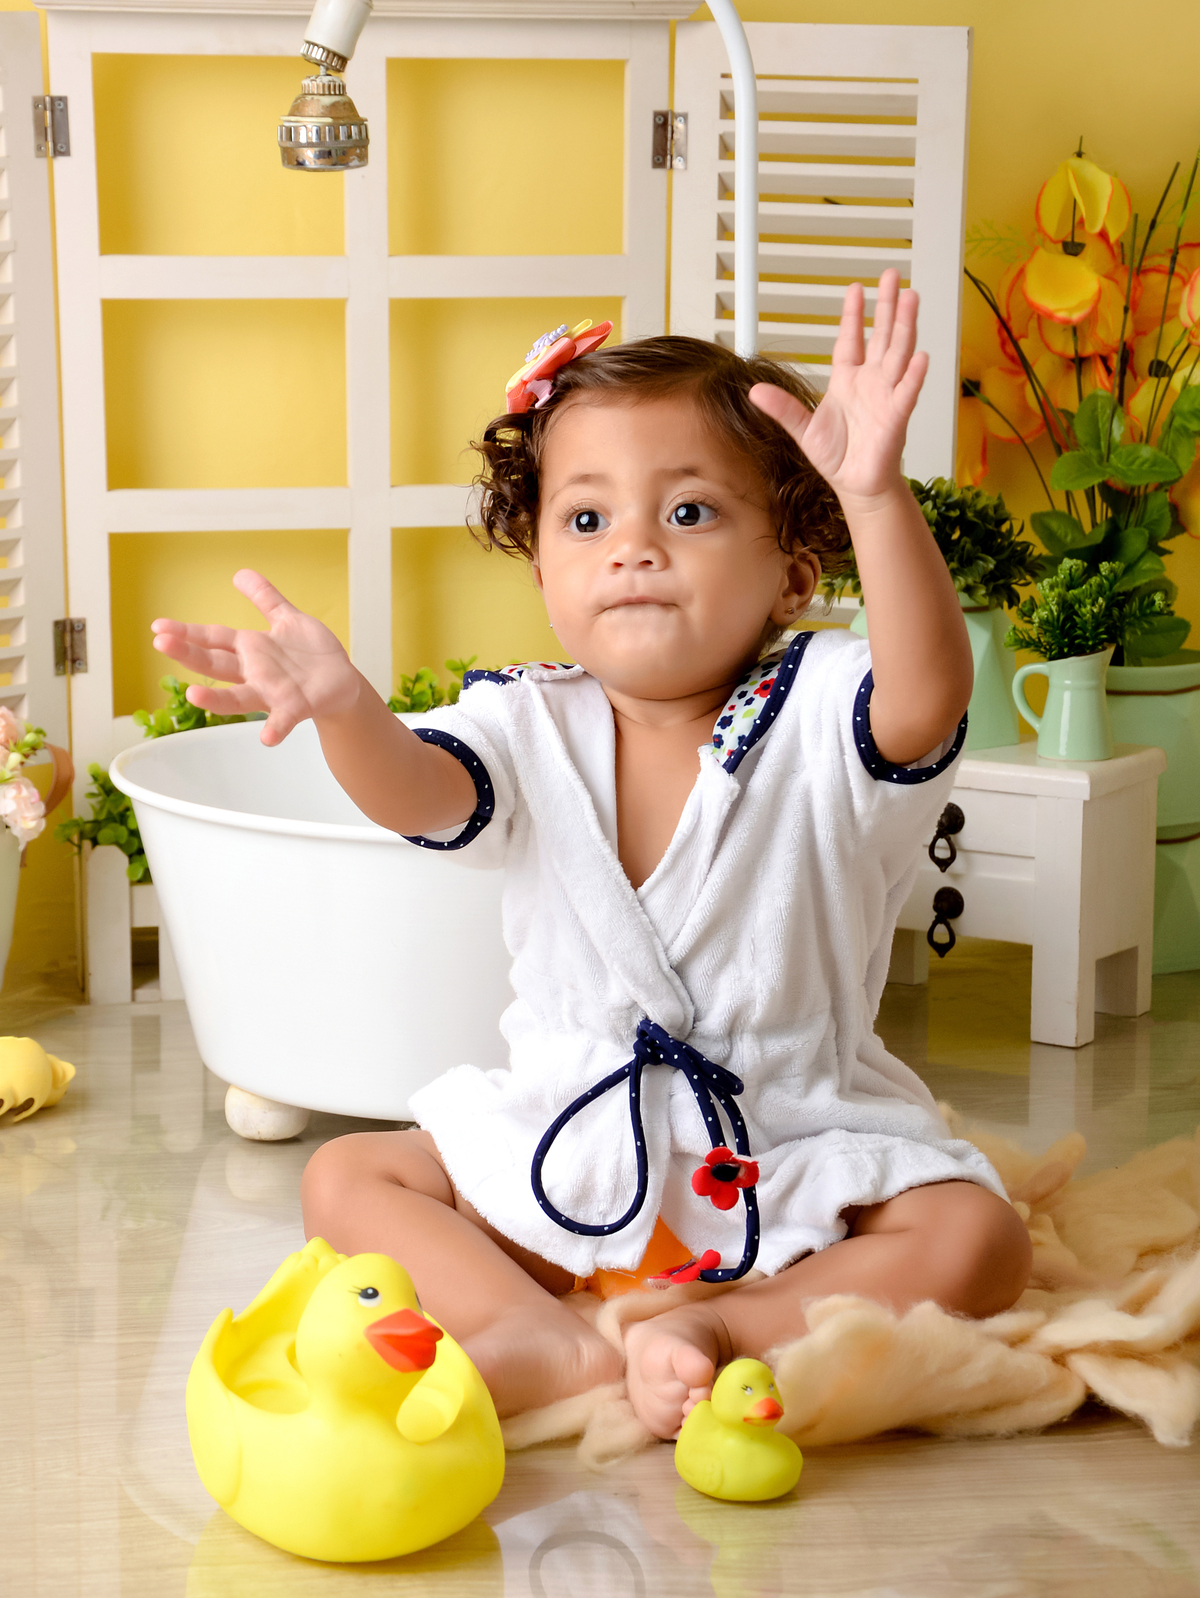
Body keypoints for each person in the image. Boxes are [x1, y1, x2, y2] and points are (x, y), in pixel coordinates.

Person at [151, 272, 1032, 1439]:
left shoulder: (824, 706)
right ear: (541, 575)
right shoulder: (521, 722)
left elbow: (928, 695)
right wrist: (347, 709)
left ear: (793, 573)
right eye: (586, 520)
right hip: (568, 1134)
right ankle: (546, 1336)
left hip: (780, 1136)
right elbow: (421, 795)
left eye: (689, 513)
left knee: (982, 1239)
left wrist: (872, 497)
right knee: (345, 1177)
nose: (633, 550)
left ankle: (729, 1326)